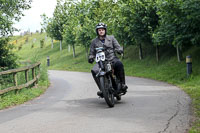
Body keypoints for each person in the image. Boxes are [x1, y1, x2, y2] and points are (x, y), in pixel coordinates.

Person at [88, 22, 128, 97]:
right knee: (94, 70)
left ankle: (122, 84)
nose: (101, 31)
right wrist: (90, 58)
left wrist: (119, 50)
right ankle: (102, 89)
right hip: (100, 62)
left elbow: (118, 46)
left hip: (112, 58)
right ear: (97, 31)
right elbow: (91, 53)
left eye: (102, 30)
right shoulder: (94, 42)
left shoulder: (111, 38)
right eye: (99, 30)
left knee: (119, 64)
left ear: (105, 30)